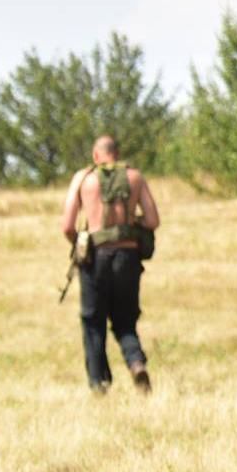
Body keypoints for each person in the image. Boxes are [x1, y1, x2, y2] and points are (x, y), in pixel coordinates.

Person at [60, 135, 161, 393]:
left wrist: (81, 243)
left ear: (96, 156)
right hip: (127, 258)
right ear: (118, 153)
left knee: (93, 320)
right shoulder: (135, 177)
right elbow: (152, 221)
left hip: (96, 257)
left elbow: (67, 226)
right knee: (125, 320)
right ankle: (137, 364)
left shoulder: (84, 179)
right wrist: (130, 223)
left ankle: (99, 383)